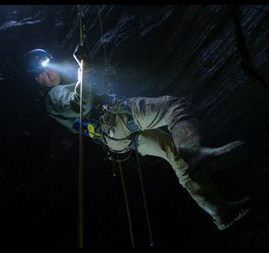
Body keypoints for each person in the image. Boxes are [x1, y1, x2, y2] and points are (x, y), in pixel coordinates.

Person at [23, 45, 251, 231]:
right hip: (113, 119)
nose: (48, 73)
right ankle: (198, 154)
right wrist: (85, 71)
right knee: (175, 106)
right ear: (37, 81)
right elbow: (80, 103)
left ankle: (220, 213)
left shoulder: (57, 92)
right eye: (41, 74)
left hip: (114, 138)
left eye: (47, 67)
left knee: (174, 154)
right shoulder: (53, 96)